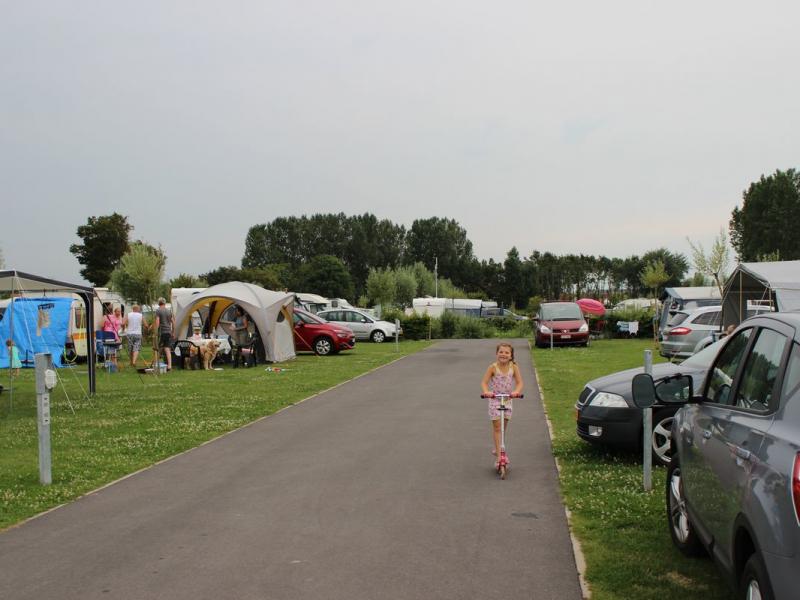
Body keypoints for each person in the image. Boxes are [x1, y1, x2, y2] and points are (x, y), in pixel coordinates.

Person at [481, 342, 524, 468]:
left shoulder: (514, 367)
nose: (503, 354)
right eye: (501, 352)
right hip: (495, 399)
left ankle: (498, 447)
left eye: (506, 352)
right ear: (496, 354)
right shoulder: (492, 367)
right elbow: (484, 382)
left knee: (503, 427)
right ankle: (500, 456)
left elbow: (520, 382)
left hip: (507, 399)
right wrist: (486, 392)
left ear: (511, 355)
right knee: (497, 427)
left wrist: (516, 392)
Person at [153, 297, 174, 372]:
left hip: (162, 332)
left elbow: (157, 322)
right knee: (167, 349)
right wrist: (173, 332)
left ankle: (155, 364)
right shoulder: (169, 311)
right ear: (164, 303)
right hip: (168, 332)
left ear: (159, 303)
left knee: (158, 348)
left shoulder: (158, 311)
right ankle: (169, 366)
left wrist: (155, 332)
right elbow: (173, 322)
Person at [102, 306, 123, 371]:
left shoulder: (106, 317)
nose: (119, 313)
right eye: (118, 311)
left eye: (120, 311)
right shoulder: (111, 317)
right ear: (114, 311)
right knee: (113, 350)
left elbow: (102, 326)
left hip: (111, 335)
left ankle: (112, 363)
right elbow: (102, 325)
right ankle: (113, 364)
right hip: (112, 335)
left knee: (111, 350)